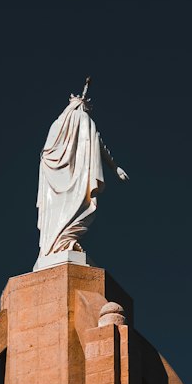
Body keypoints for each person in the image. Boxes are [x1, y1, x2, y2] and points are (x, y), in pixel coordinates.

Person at [35, 81, 128, 270]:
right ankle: (59, 245)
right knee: (72, 208)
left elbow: (46, 153)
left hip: (64, 173)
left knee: (72, 209)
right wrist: (115, 167)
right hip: (68, 175)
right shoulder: (82, 120)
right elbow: (100, 145)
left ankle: (64, 243)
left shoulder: (59, 123)